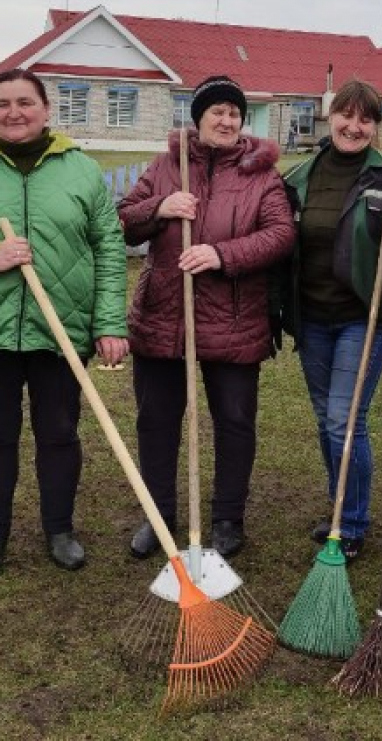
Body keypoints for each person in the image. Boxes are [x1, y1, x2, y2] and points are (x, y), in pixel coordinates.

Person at [0, 69, 129, 581]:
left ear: (46, 110)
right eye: (3, 103)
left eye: (25, 102)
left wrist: (110, 322)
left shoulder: (80, 170)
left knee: (59, 434)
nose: (14, 112)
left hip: (62, 328)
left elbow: (109, 248)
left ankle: (60, 530)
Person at [117, 75, 296, 559]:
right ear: (198, 119)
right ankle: (158, 515)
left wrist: (221, 255)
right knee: (156, 418)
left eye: (234, 113)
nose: (227, 119)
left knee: (235, 420)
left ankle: (227, 519)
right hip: (163, 314)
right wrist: (162, 206)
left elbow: (281, 234)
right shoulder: (167, 164)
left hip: (234, 318)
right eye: (216, 111)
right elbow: (126, 220)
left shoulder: (262, 173)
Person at [282, 79, 382, 558]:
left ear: (375, 127)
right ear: (332, 117)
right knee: (325, 419)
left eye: (365, 119)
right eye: (346, 115)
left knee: (344, 422)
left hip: (362, 317)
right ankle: (340, 508)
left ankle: (350, 523)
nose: (354, 126)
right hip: (311, 317)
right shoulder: (300, 175)